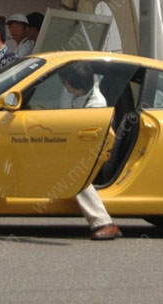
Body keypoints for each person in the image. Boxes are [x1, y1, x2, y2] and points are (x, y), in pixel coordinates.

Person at [59, 61, 122, 240]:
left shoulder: (97, 104)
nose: (63, 86)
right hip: (70, 145)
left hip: (90, 154)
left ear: (76, 85)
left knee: (74, 172)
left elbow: (84, 142)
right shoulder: (72, 91)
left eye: (65, 83)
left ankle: (103, 222)